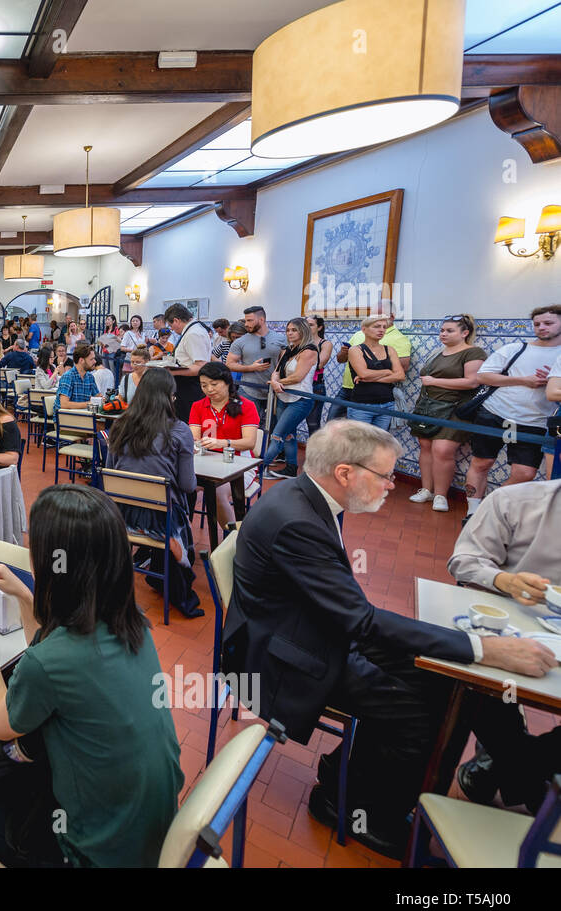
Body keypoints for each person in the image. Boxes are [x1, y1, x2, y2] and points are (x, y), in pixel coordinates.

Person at [222, 419, 557, 858]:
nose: (392, 485)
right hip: (282, 654)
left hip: (310, 627)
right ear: (345, 473)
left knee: (445, 683)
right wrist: (483, 648)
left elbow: (351, 613)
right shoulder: (297, 520)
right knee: (418, 711)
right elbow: (361, 621)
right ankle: (361, 811)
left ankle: (352, 778)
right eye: (384, 475)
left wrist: (473, 651)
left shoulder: (309, 498)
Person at [0, 484, 184, 867]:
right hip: (148, 834)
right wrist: (26, 598)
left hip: (88, 852)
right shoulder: (132, 625)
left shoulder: (54, 662)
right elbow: (44, 651)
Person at [447, 479, 561, 811]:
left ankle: (509, 765)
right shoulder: (515, 501)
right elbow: (464, 561)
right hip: (506, 632)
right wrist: (505, 580)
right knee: (472, 684)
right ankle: (526, 772)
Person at [102, 368, 203, 617]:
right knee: (183, 498)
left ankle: (152, 559)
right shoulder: (179, 431)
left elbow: (111, 472)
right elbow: (189, 485)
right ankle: (166, 562)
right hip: (161, 522)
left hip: (122, 516)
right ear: (169, 397)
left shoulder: (119, 426)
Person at [463, 305, 561, 514]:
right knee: (482, 463)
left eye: (548, 323)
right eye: (537, 324)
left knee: (525, 472)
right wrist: (523, 380)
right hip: (495, 414)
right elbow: (483, 376)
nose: (541, 327)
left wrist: (551, 382)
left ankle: (488, 510)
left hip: (535, 421)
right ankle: (472, 512)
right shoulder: (515, 348)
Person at [408, 315, 486, 512]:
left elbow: (472, 381)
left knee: (442, 450)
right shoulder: (437, 352)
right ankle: (426, 489)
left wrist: (434, 382)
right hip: (428, 406)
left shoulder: (473, 352)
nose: (443, 333)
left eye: (449, 330)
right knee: (425, 446)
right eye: (442, 330)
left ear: (464, 333)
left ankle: (441, 495)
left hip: (455, 408)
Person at [189, 361, 260, 527]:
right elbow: (194, 438)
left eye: (214, 384)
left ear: (228, 382)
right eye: (204, 385)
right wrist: (197, 443)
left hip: (239, 465)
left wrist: (221, 443)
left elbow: (249, 442)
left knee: (216, 491)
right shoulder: (198, 406)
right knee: (182, 486)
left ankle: (232, 540)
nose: (209, 390)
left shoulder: (246, 406)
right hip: (206, 463)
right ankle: (182, 537)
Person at [262, 317, 324, 479]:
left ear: (303, 331)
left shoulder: (309, 351)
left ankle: (257, 469)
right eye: (288, 330)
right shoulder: (289, 350)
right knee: (289, 436)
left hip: (300, 400)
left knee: (277, 436)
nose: (290, 333)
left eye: (294, 330)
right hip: (284, 397)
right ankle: (291, 468)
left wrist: (277, 383)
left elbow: (298, 377)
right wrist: (275, 381)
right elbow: (276, 370)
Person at [225, 306, 285, 428]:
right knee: (247, 426)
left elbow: (286, 362)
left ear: (261, 320)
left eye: (250, 320)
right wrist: (251, 367)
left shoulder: (281, 339)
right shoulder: (240, 341)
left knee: (272, 428)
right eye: (246, 320)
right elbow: (229, 364)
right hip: (249, 390)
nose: (246, 324)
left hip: (274, 391)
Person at [346, 315, 405, 431]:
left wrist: (371, 378)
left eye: (384, 327)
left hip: (387, 403)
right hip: (362, 405)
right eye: (377, 326)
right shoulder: (355, 350)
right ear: (364, 329)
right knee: (360, 442)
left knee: (379, 442)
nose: (382, 330)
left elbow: (400, 375)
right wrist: (387, 371)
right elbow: (363, 374)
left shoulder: (390, 349)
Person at [165, 304, 212, 420]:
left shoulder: (193, 333)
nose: (172, 330)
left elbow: (201, 366)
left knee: (188, 421)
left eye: (171, 326)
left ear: (176, 320)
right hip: (184, 383)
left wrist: (172, 371)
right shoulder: (193, 330)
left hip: (190, 385)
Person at [305, 316, 332, 436]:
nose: (307, 326)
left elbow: (319, 364)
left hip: (316, 387)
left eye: (311, 324)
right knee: (290, 424)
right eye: (305, 324)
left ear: (319, 327)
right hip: (297, 385)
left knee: (313, 424)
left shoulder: (325, 344)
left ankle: (315, 453)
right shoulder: (298, 342)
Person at [54, 344, 97, 411]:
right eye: (91, 359)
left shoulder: (90, 377)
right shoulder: (68, 376)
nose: (95, 361)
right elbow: (64, 404)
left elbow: (97, 396)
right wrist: (90, 403)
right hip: (67, 418)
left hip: (82, 415)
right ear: (81, 360)